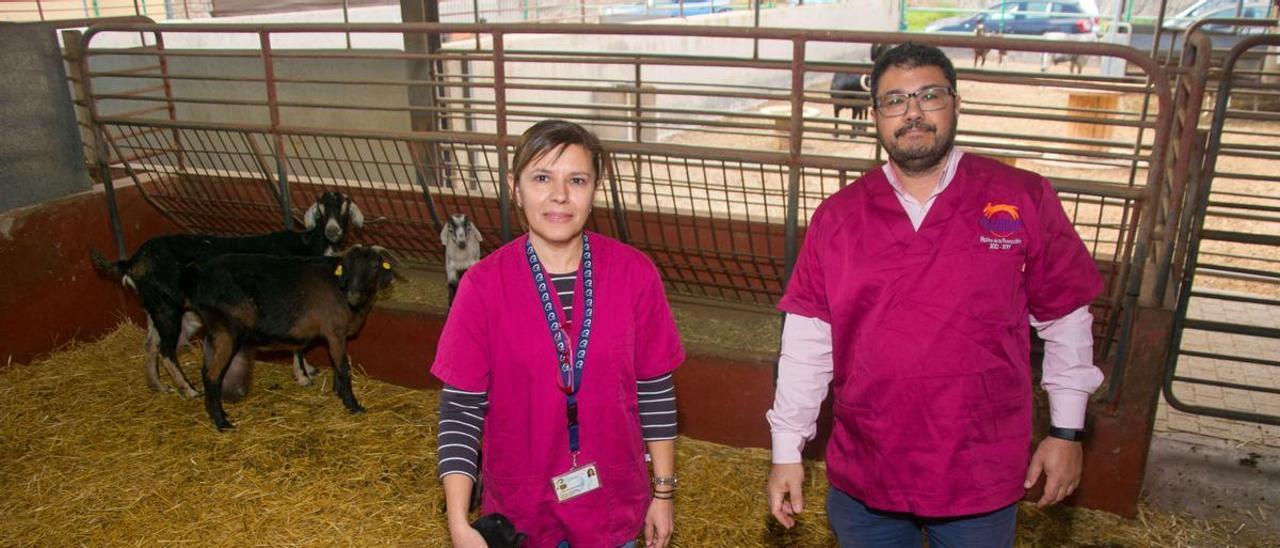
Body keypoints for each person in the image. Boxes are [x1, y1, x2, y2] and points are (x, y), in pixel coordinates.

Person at [765, 42, 1105, 547]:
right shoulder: (838, 218)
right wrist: (786, 450)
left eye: (930, 95)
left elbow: (1066, 317)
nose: (913, 113)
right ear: (875, 115)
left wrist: (1066, 432)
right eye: (895, 101)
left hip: (979, 469)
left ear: (956, 103)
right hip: (869, 467)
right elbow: (808, 343)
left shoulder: (1021, 197)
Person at [433, 120, 685, 548]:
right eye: (542, 177)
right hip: (521, 510)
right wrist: (459, 522)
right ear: (515, 187)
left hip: (612, 504)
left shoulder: (634, 274)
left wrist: (663, 493)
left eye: (577, 180)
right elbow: (461, 409)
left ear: (595, 188)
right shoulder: (482, 286)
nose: (560, 196)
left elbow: (655, 389)